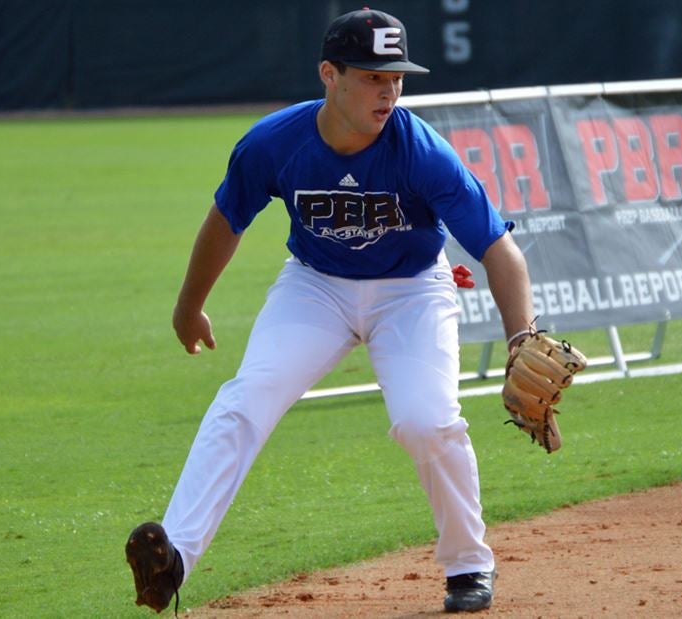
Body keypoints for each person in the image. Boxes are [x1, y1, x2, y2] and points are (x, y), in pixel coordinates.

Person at [125, 7, 537, 615]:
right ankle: (174, 558)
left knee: (426, 421)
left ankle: (468, 564)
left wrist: (520, 338)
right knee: (246, 398)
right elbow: (226, 220)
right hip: (315, 287)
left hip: (412, 290)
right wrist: (190, 307)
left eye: (396, 76)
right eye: (372, 75)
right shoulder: (274, 143)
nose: (389, 89)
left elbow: (501, 252)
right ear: (329, 73)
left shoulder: (423, 152)